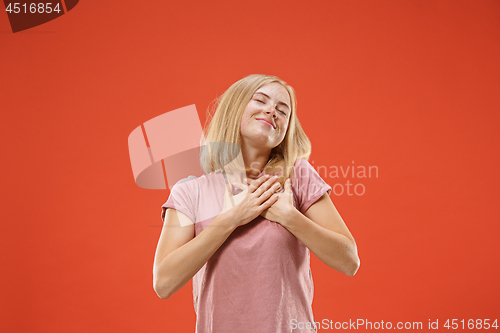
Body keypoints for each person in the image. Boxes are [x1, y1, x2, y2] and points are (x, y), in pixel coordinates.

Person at [153, 74, 360, 333]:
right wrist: (230, 219)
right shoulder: (190, 191)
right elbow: (164, 282)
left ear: (285, 131)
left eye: (283, 111)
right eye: (260, 100)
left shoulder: (297, 177)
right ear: (234, 109)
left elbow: (349, 260)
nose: (272, 110)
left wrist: (289, 217)